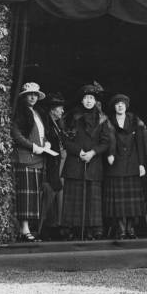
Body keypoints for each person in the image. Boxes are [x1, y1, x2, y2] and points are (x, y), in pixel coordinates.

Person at [61, 84, 111, 240]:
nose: (88, 101)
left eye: (91, 98)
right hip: (75, 163)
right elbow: (66, 140)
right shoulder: (72, 117)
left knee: (92, 199)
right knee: (74, 199)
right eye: (86, 98)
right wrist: (79, 152)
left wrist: (93, 152)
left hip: (93, 163)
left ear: (95, 101)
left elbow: (105, 142)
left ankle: (93, 230)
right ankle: (72, 230)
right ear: (81, 100)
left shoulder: (103, 119)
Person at [104, 94, 147, 239]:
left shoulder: (135, 120)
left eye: (122, 103)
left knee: (132, 204)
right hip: (115, 165)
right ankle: (121, 229)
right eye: (117, 104)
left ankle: (131, 229)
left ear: (126, 106)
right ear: (114, 107)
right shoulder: (108, 121)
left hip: (132, 164)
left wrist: (142, 164)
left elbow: (141, 143)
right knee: (118, 203)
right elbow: (106, 141)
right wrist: (110, 155)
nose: (120, 106)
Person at [12, 82, 50, 242]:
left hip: (39, 159)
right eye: (30, 94)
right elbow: (17, 134)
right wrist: (33, 147)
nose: (33, 97)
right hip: (25, 159)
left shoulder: (38, 113)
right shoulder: (19, 113)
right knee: (25, 196)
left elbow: (42, 134)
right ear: (24, 96)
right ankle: (24, 229)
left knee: (34, 195)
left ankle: (28, 229)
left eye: (35, 94)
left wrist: (46, 143)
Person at [39, 92, 67, 239]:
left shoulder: (57, 125)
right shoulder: (47, 125)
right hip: (50, 165)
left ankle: (54, 228)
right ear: (52, 109)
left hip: (58, 165)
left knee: (56, 197)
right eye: (60, 108)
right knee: (49, 196)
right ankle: (43, 229)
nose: (62, 111)